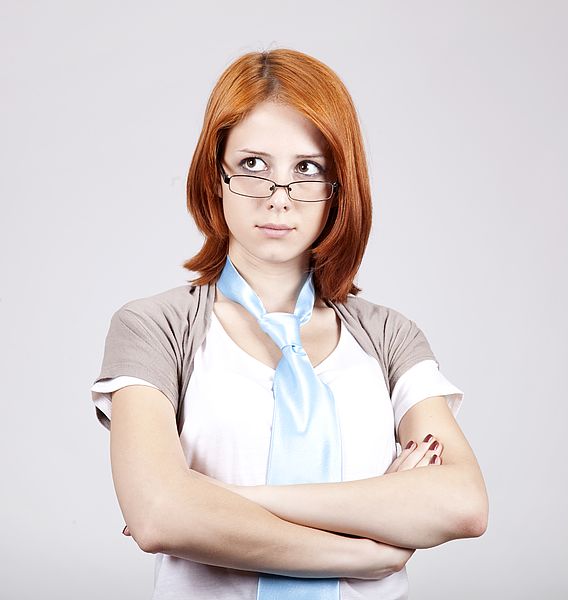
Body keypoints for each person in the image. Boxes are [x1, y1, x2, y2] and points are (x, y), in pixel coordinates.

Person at [90, 48, 488, 600]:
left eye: (307, 168)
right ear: (216, 177)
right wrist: (368, 548)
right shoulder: (153, 328)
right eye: (253, 165)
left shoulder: (390, 337)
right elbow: (159, 516)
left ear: (338, 187)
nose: (278, 198)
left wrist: (214, 497)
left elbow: (463, 503)